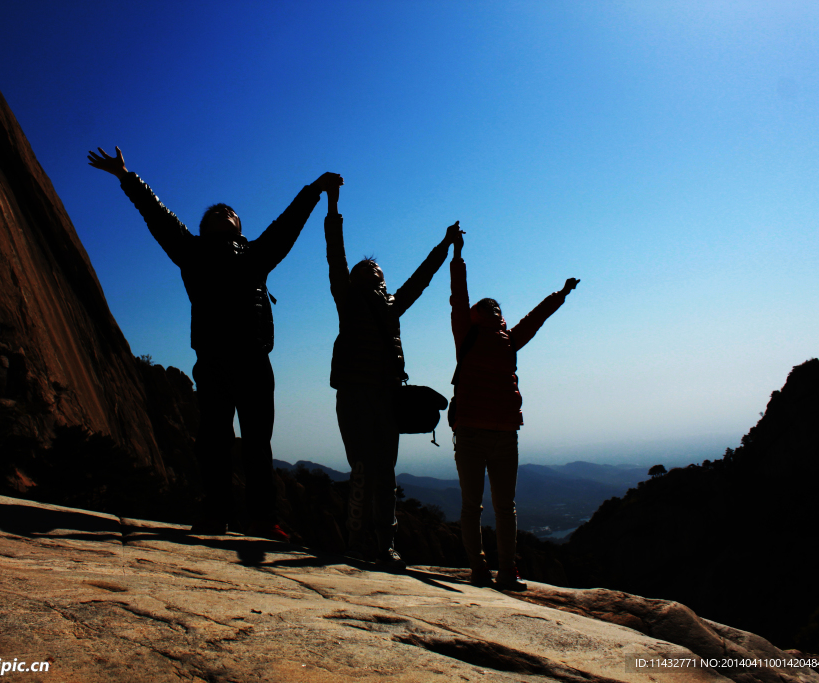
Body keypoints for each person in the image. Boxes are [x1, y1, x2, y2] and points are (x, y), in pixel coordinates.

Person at [88, 146, 342, 541]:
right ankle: (215, 514)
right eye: (214, 214)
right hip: (213, 361)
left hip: (255, 361)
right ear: (204, 228)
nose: (222, 213)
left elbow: (289, 222)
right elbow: (157, 216)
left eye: (229, 213)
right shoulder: (191, 252)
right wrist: (126, 176)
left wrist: (315, 189)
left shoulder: (257, 254)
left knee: (257, 443)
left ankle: (263, 519)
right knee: (214, 443)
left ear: (239, 227)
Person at [324, 185, 462, 568]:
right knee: (363, 469)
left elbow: (421, 277)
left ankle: (385, 544)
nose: (371, 273)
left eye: (377, 271)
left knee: (383, 472)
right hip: (352, 395)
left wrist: (445, 245)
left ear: (384, 282)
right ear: (352, 279)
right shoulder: (348, 301)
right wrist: (333, 205)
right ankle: (356, 541)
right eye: (363, 270)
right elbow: (336, 254)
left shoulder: (392, 307)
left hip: (384, 397)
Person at [449, 230, 578, 588]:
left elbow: (536, 318)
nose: (491, 306)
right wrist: (457, 254)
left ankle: (506, 571)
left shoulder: (510, 340)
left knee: (504, 508)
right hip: (473, 432)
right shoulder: (467, 334)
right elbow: (458, 297)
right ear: (475, 314)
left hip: (505, 433)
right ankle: (478, 570)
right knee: (473, 506)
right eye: (484, 305)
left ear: (502, 316)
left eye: (496, 305)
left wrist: (561, 294)